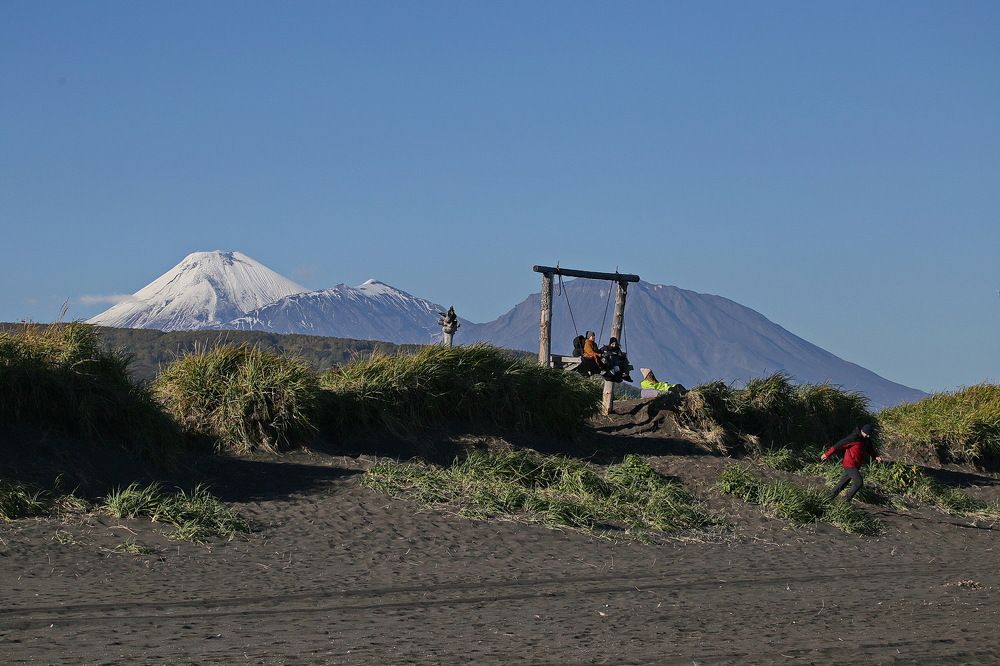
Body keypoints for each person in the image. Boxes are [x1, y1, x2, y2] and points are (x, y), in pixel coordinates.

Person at [822, 424, 883, 501]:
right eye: (867, 434)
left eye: (869, 435)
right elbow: (838, 445)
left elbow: (870, 449)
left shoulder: (866, 440)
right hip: (849, 464)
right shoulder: (853, 437)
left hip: (856, 465)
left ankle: (827, 499)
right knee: (859, 482)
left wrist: (876, 456)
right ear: (862, 431)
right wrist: (827, 454)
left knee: (842, 484)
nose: (868, 436)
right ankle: (845, 500)